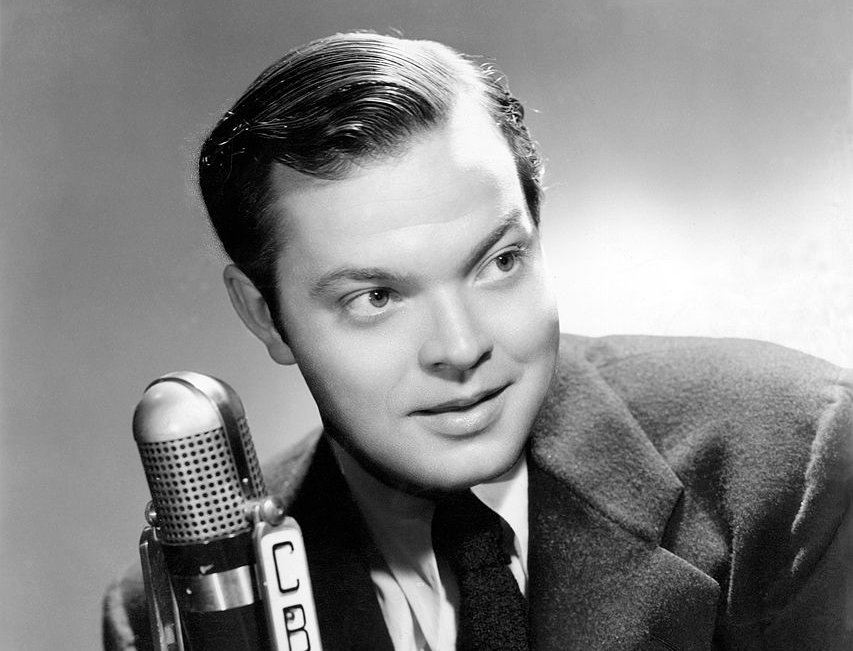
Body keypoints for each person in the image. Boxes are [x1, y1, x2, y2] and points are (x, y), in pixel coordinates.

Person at [103, 32, 853, 650]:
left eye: (497, 263)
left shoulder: (791, 459)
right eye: (376, 297)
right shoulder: (160, 617)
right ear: (264, 314)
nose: (460, 348)